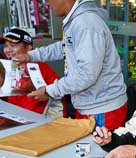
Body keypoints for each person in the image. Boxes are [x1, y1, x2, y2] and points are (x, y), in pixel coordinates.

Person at [15, 0, 127, 130]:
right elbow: (64, 47)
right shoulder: (76, 20)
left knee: (98, 150)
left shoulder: (86, 23)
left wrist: (50, 91)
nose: (47, 3)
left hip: (102, 108)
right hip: (89, 105)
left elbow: (86, 75)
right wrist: (31, 56)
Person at [0, 28, 61, 115]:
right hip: (17, 119)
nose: (8, 50)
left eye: (13, 45)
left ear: (29, 48)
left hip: (40, 120)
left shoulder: (39, 69)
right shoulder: (8, 68)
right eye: (6, 46)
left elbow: (45, 106)